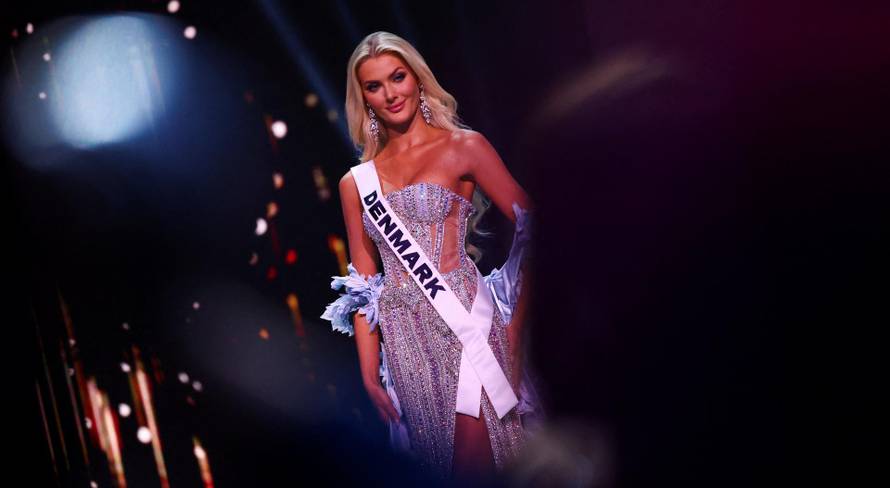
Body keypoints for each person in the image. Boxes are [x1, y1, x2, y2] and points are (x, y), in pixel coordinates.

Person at [321, 31, 540, 482]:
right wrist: (367, 371)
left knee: (474, 462)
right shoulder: (355, 183)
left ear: (417, 79)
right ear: (363, 98)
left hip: (467, 323)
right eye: (374, 86)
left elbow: (533, 224)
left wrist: (516, 320)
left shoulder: (464, 146)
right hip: (405, 344)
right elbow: (363, 281)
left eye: (397, 77)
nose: (390, 93)